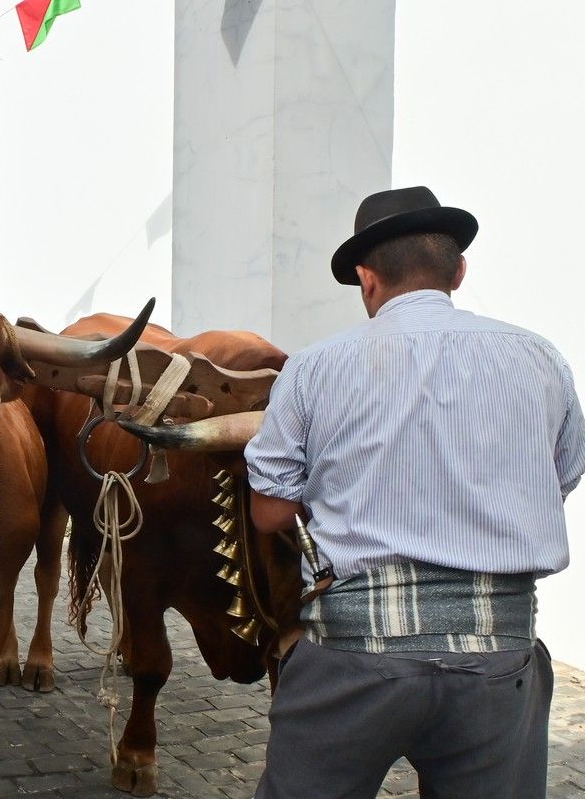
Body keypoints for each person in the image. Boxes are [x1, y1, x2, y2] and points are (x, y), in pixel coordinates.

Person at [245, 186, 585, 799]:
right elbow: (558, 478)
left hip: (352, 658)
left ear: (366, 279)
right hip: (499, 662)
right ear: (459, 271)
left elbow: (269, 512)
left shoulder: (316, 367)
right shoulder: (541, 360)